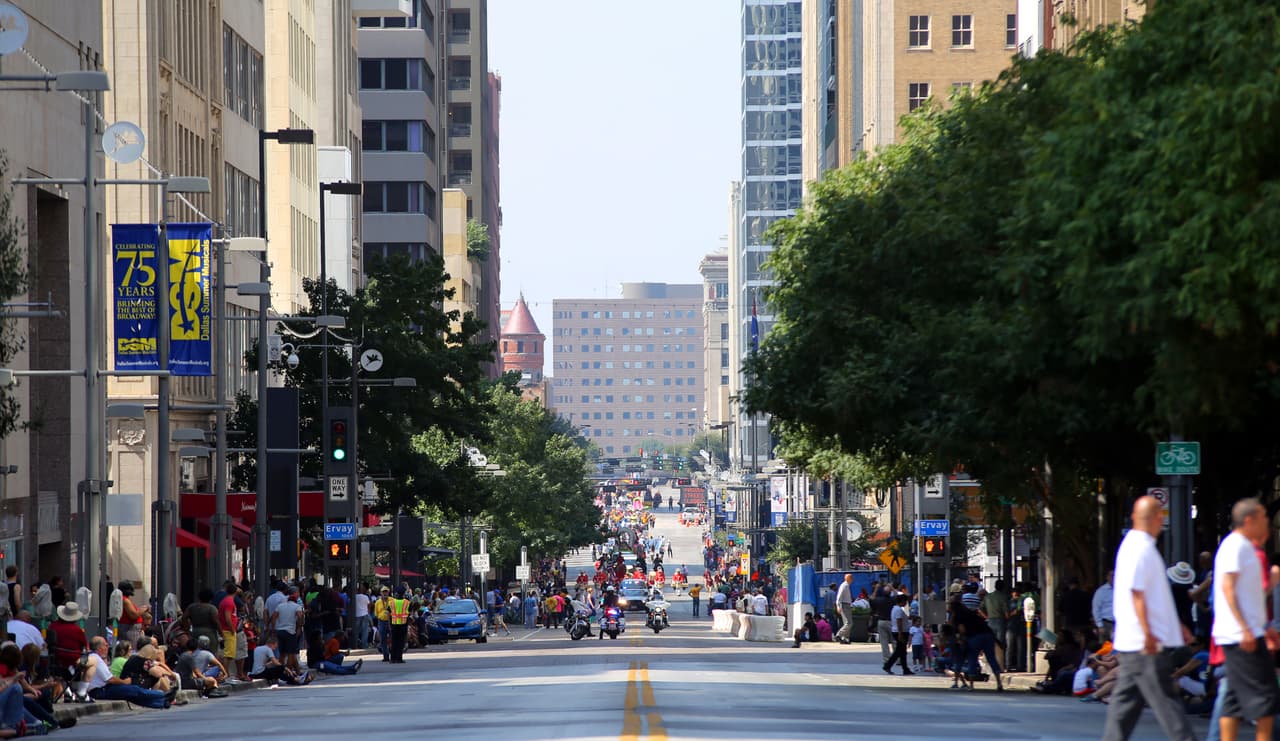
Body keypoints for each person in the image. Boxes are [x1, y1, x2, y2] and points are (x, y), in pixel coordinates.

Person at [1100, 495, 1195, 741]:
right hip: (1144, 641)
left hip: (1137, 641)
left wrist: (1177, 625)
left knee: (1125, 705)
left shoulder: (1138, 546)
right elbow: (1137, 593)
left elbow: (1151, 596)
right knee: (1165, 700)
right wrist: (1148, 632)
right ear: (1157, 519)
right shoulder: (1140, 548)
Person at [1211, 497, 1279, 741]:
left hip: (1246, 631)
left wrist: (1264, 625)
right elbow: (1228, 588)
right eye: (1263, 517)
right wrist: (1245, 628)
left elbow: (1249, 596)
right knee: (1266, 695)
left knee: (1234, 699)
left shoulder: (1245, 548)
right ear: (1249, 520)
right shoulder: (1236, 546)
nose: (1267, 523)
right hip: (1241, 634)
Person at [84, 636, 174, 709]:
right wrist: (124, 682)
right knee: (134, 690)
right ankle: (164, 695)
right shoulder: (96, 658)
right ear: (100, 648)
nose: (107, 647)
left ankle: (162, 703)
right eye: (106, 645)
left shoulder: (94, 657)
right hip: (100, 690)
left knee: (132, 696)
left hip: (102, 689)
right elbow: (110, 679)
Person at [45, 601, 88, 677]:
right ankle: (83, 687)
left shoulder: (52, 627)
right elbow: (85, 647)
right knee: (94, 660)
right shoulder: (77, 630)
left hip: (56, 659)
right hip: (74, 660)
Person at [270, 587, 305, 674]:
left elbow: (274, 617)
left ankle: (280, 672)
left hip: (280, 631)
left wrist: (273, 628)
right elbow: (300, 617)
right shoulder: (297, 606)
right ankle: (287, 672)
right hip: (290, 632)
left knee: (282, 653)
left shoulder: (280, 606)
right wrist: (299, 628)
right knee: (290, 653)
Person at [882, 594, 914, 676]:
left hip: (899, 631)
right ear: (902, 601)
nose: (906, 603)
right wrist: (900, 633)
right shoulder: (899, 610)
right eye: (905, 601)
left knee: (902, 651)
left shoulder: (895, 609)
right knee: (899, 651)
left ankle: (905, 668)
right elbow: (899, 621)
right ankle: (888, 665)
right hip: (901, 632)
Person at [388, 587, 411, 664]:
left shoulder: (391, 602)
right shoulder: (407, 602)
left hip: (394, 624)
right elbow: (409, 613)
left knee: (394, 642)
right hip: (403, 624)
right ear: (404, 594)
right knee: (401, 642)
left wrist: (389, 624)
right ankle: (399, 658)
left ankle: (393, 658)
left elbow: (388, 613)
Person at [1092, 571, 1115, 642]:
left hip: (1119, 623)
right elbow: (1096, 608)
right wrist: (1100, 625)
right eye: (1111, 575)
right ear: (1107, 577)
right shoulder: (1101, 591)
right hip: (1105, 623)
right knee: (1105, 648)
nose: (1113, 577)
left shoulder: (1122, 589)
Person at [833, 574, 855, 645]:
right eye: (851, 578)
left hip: (846, 605)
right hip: (844, 605)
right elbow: (839, 596)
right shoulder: (844, 585)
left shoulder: (846, 585)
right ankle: (839, 635)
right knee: (849, 623)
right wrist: (838, 606)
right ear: (848, 578)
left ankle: (844, 638)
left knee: (847, 622)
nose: (852, 579)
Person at [374, 586, 393, 662]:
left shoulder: (392, 600)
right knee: (383, 639)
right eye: (383, 592)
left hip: (391, 621)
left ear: (388, 592)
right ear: (381, 593)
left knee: (392, 638)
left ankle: (393, 655)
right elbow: (376, 613)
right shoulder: (378, 602)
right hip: (381, 622)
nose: (385, 593)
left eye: (386, 592)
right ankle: (386, 656)